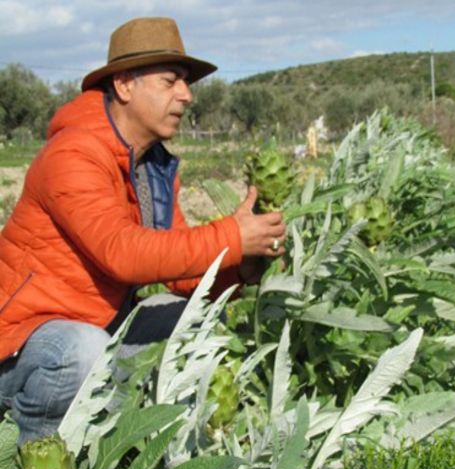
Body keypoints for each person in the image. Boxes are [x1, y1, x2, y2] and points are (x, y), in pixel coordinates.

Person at [0, 17, 287, 444]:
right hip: (23, 344)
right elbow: (123, 253)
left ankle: (151, 437)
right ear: (124, 85)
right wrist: (230, 235)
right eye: (171, 81)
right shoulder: (74, 153)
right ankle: (37, 452)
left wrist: (240, 266)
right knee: (81, 352)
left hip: (97, 326)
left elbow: (178, 272)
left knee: (191, 315)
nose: (186, 95)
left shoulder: (150, 165)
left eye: (186, 84)